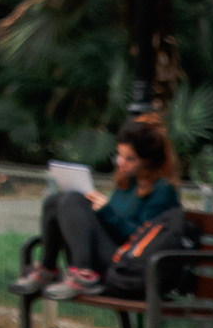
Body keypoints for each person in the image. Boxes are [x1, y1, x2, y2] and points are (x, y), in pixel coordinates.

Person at [20, 118, 185, 296]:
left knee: (73, 200)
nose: (120, 163)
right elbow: (111, 224)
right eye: (119, 155)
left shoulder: (162, 191)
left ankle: (84, 274)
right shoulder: (128, 182)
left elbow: (142, 240)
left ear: (148, 161)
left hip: (127, 266)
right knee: (56, 201)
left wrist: (106, 211)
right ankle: (48, 269)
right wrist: (95, 210)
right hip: (110, 258)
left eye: (129, 159)